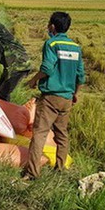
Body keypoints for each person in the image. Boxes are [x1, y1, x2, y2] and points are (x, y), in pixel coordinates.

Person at [22, 11, 85, 180]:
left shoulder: (51, 43)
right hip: (67, 98)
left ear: (52, 26)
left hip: (51, 97)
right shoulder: (75, 47)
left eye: (49, 24)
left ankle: (32, 173)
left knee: (40, 133)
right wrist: (75, 94)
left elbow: (47, 68)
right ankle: (60, 167)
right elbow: (81, 76)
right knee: (62, 134)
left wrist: (33, 80)